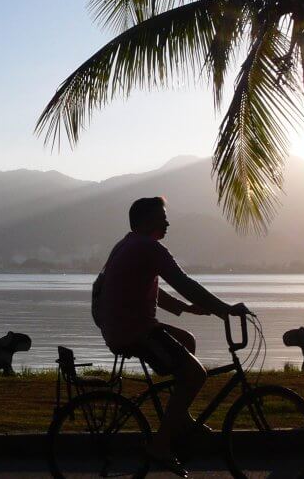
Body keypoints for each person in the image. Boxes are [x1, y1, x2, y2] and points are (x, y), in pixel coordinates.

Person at [92, 197, 250, 476]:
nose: (167, 222)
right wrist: (223, 310)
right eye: (161, 217)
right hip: (135, 331)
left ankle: (179, 418)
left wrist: (187, 309)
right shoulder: (149, 248)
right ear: (145, 221)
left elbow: (156, 290)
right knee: (196, 375)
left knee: (187, 341)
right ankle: (161, 445)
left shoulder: (128, 244)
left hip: (124, 327)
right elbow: (185, 283)